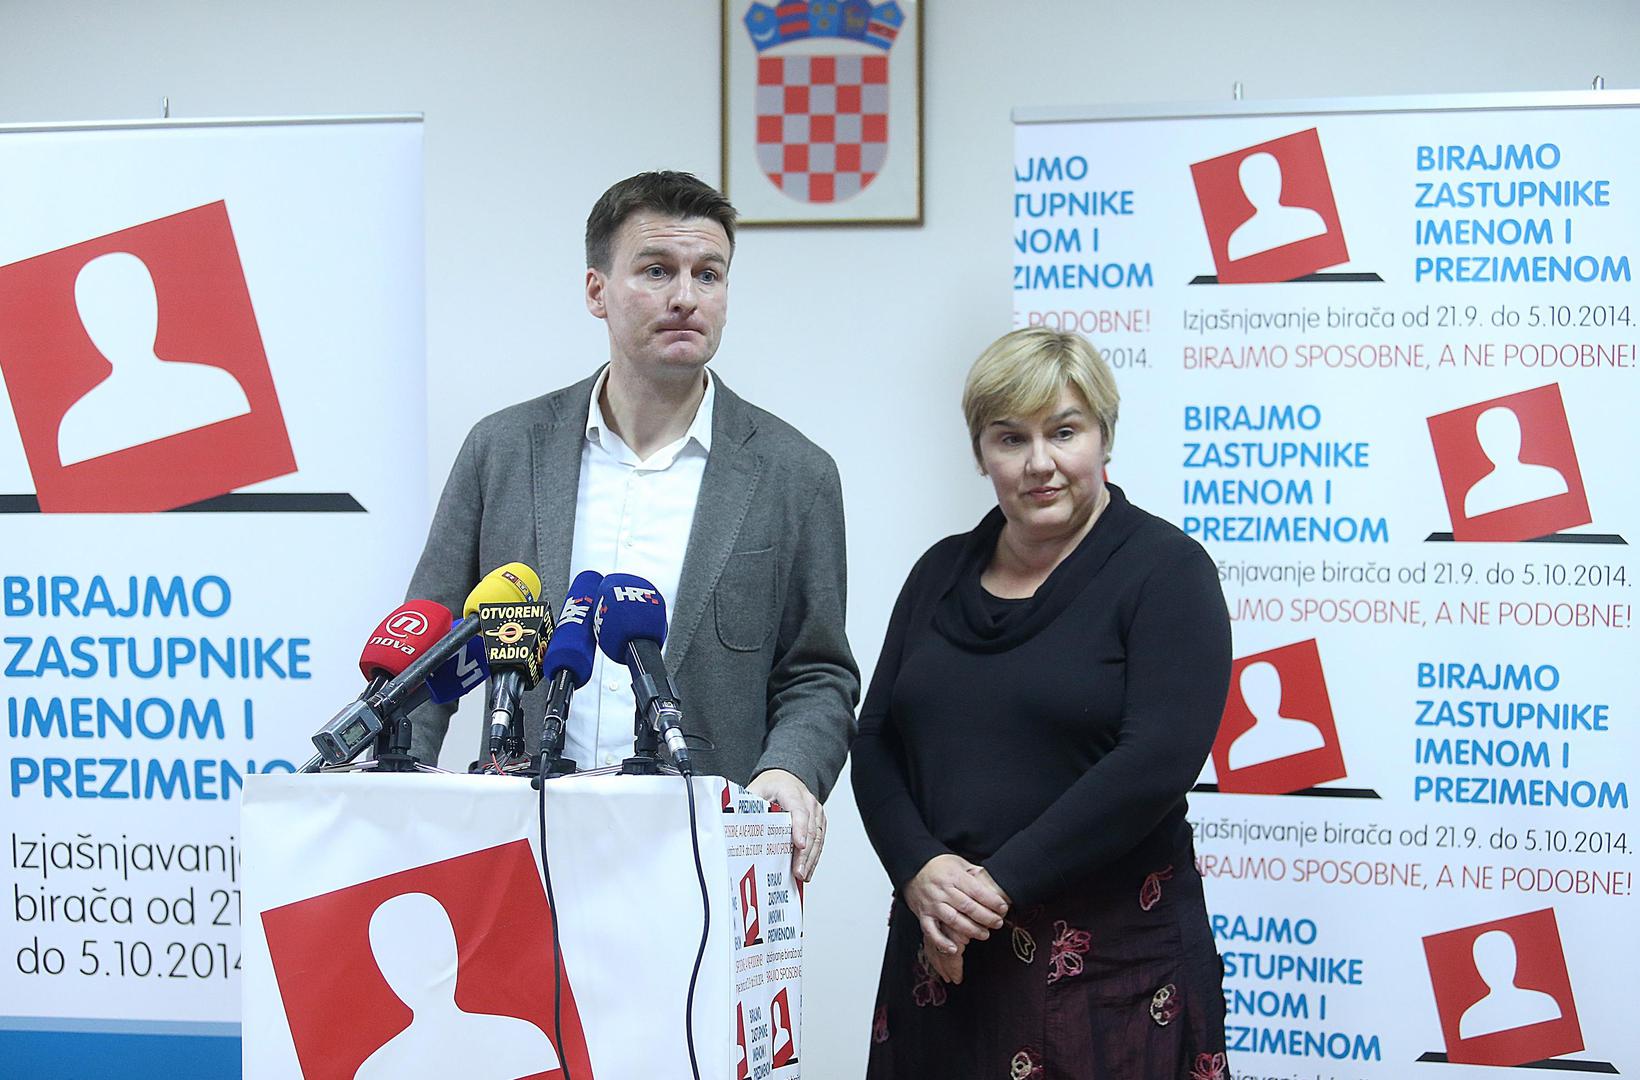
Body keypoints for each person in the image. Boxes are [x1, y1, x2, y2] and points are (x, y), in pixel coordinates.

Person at [405, 171, 858, 880]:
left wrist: (790, 770)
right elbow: (429, 640)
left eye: (708, 274)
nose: (686, 297)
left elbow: (817, 672)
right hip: (521, 847)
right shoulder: (504, 450)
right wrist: (397, 791)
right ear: (597, 291)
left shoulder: (794, 474)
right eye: (656, 270)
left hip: (701, 860)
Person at [852, 327, 1232, 1077]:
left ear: (1103, 436)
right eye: (1010, 438)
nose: (1039, 463)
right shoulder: (938, 572)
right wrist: (920, 868)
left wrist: (990, 889)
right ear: (980, 453)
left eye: (1064, 432)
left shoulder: (1168, 572)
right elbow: (876, 740)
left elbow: (1154, 764)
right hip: (942, 955)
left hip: (1110, 973)